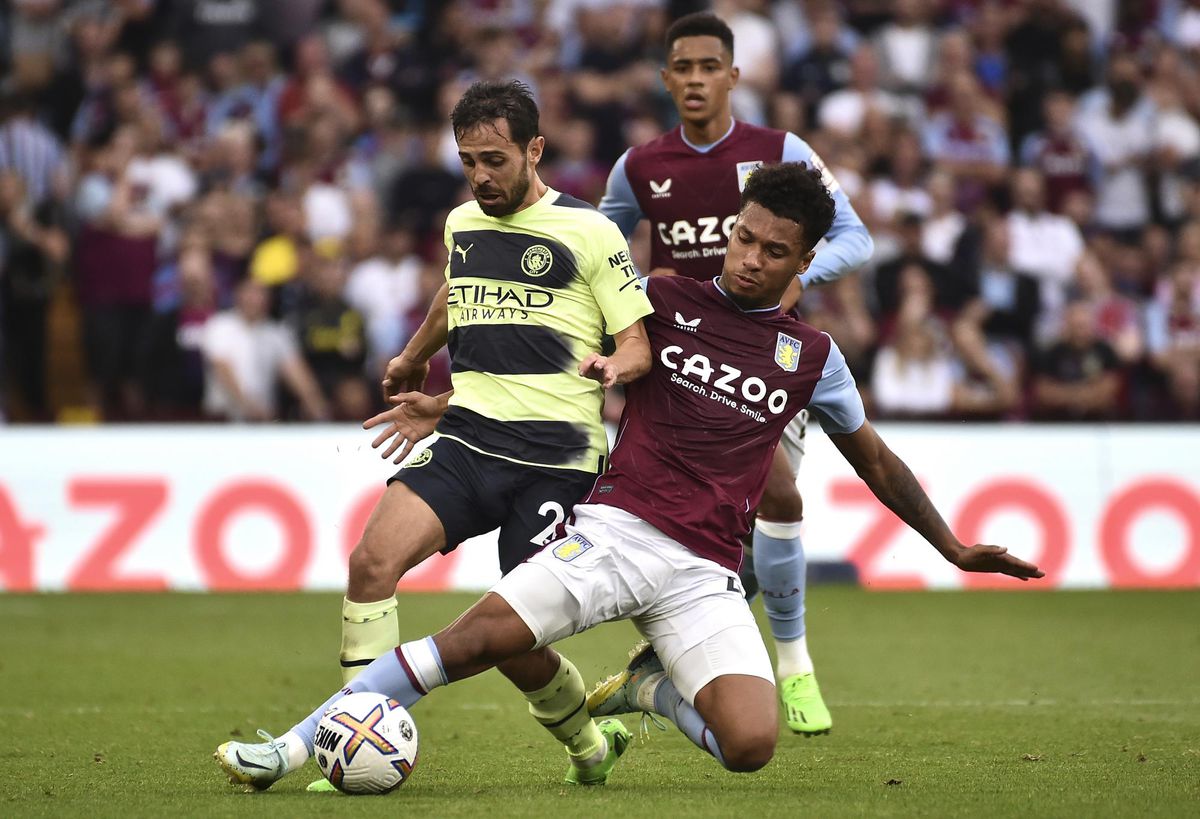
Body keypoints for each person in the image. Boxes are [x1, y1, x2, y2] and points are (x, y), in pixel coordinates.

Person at [215, 162, 1043, 789]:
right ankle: (286, 750)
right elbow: (544, 345)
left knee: (749, 746)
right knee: (465, 645)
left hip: (706, 574)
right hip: (612, 534)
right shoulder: (665, 298)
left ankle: (645, 689)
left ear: (808, 257)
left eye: (773, 250)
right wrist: (451, 399)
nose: (750, 258)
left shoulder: (813, 356)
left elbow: (877, 461)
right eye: (744, 236)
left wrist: (954, 547)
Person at [309, 79, 653, 790]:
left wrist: (614, 364)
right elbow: (454, 286)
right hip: (469, 439)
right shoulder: (463, 222)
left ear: (534, 149)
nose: (480, 176)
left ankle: (589, 740)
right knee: (370, 564)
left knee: (512, 638)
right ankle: (350, 743)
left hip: (557, 460)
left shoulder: (589, 231)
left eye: (494, 159)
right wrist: (413, 354)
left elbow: (639, 344)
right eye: (468, 160)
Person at [597, 12, 874, 735]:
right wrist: (629, 314)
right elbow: (600, 246)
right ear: (666, 79)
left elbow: (855, 235)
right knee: (700, 521)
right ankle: (661, 664)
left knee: (779, 498)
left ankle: (795, 664)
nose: (694, 80)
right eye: (681, 68)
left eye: (707, 67)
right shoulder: (639, 167)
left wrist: (798, 286)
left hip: (762, 356)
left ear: (732, 76)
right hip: (680, 364)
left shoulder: (779, 151)